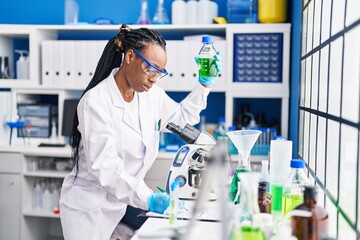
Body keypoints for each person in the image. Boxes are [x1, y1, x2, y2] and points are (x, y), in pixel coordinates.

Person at [59, 24, 221, 240]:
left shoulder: (151, 96)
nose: (154, 78)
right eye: (150, 69)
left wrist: (204, 85)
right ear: (129, 57)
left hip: (125, 202)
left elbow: (182, 119)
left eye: (159, 73)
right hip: (91, 208)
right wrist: (150, 199)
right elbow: (106, 168)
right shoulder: (95, 102)